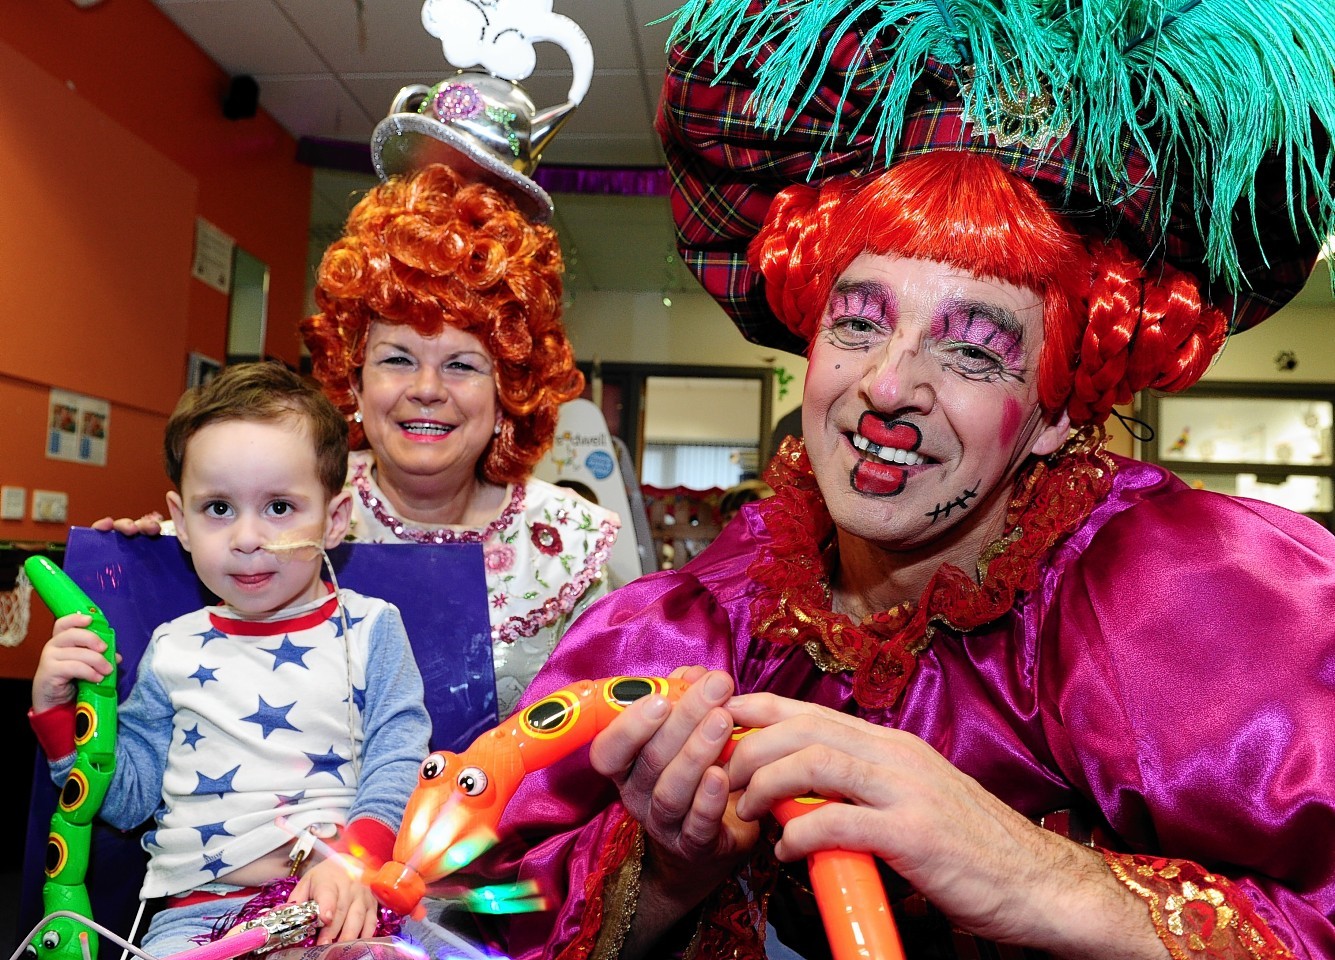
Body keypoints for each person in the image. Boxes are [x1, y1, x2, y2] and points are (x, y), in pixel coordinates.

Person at [446, 4, 1335, 959]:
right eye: (859, 323)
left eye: (973, 347)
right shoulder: (691, 631)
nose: (886, 385)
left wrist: (1026, 873)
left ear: (1059, 409)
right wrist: (671, 873)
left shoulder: (1189, 603)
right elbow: (468, 920)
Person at [101, 89, 620, 721]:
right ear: (353, 372)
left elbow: (602, 741)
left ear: (510, 386)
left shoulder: (573, 547)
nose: (426, 388)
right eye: (397, 358)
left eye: (461, 364)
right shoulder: (284, 504)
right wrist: (136, 568)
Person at [32, 363, 431, 954]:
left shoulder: (372, 628)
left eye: (279, 507)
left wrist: (354, 860)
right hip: (199, 915)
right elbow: (126, 801)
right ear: (181, 521)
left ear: (336, 519)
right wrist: (62, 716)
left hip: (347, 899)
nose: (247, 537)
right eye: (218, 508)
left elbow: (398, 760)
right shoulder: (173, 647)